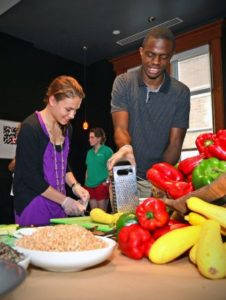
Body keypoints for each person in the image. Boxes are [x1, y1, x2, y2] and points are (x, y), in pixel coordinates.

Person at [108, 26, 190, 198]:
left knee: (158, 223)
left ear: (171, 56)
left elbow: (175, 143)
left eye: (163, 57)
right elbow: (120, 129)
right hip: (126, 174)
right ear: (141, 52)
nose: (156, 62)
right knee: (124, 223)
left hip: (160, 179)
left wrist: (158, 177)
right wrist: (126, 148)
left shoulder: (181, 92)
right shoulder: (123, 82)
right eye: (150, 54)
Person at [13, 75, 90, 226]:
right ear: (52, 100)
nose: (72, 115)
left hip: (58, 202)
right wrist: (65, 200)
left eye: (76, 110)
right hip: (33, 204)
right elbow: (30, 177)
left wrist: (75, 186)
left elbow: (63, 162)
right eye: (68, 109)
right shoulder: (30, 127)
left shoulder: (67, 128)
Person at [84, 127, 113, 211]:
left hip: (101, 186)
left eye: (92, 137)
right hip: (89, 186)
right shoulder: (89, 152)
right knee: (94, 214)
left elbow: (113, 167)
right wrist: (85, 185)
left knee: (101, 214)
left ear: (99, 138)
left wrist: (106, 182)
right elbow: (87, 169)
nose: (89, 139)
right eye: (89, 137)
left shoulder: (107, 151)